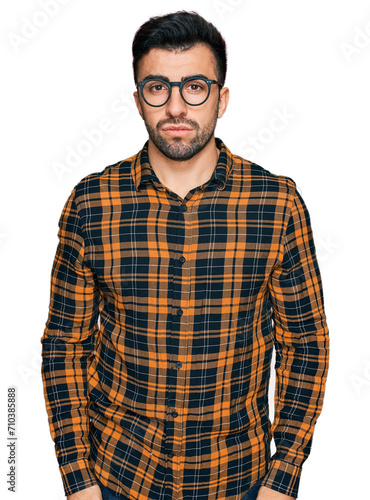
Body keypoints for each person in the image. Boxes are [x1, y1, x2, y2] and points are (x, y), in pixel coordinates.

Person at [41, 11, 329, 500]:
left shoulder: (277, 204)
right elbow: (64, 346)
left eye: (195, 86)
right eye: (158, 88)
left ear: (223, 98)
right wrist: (77, 478)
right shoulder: (91, 203)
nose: (176, 106)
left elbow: (305, 346)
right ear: (138, 100)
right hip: (117, 478)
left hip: (240, 480)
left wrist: (284, 478)